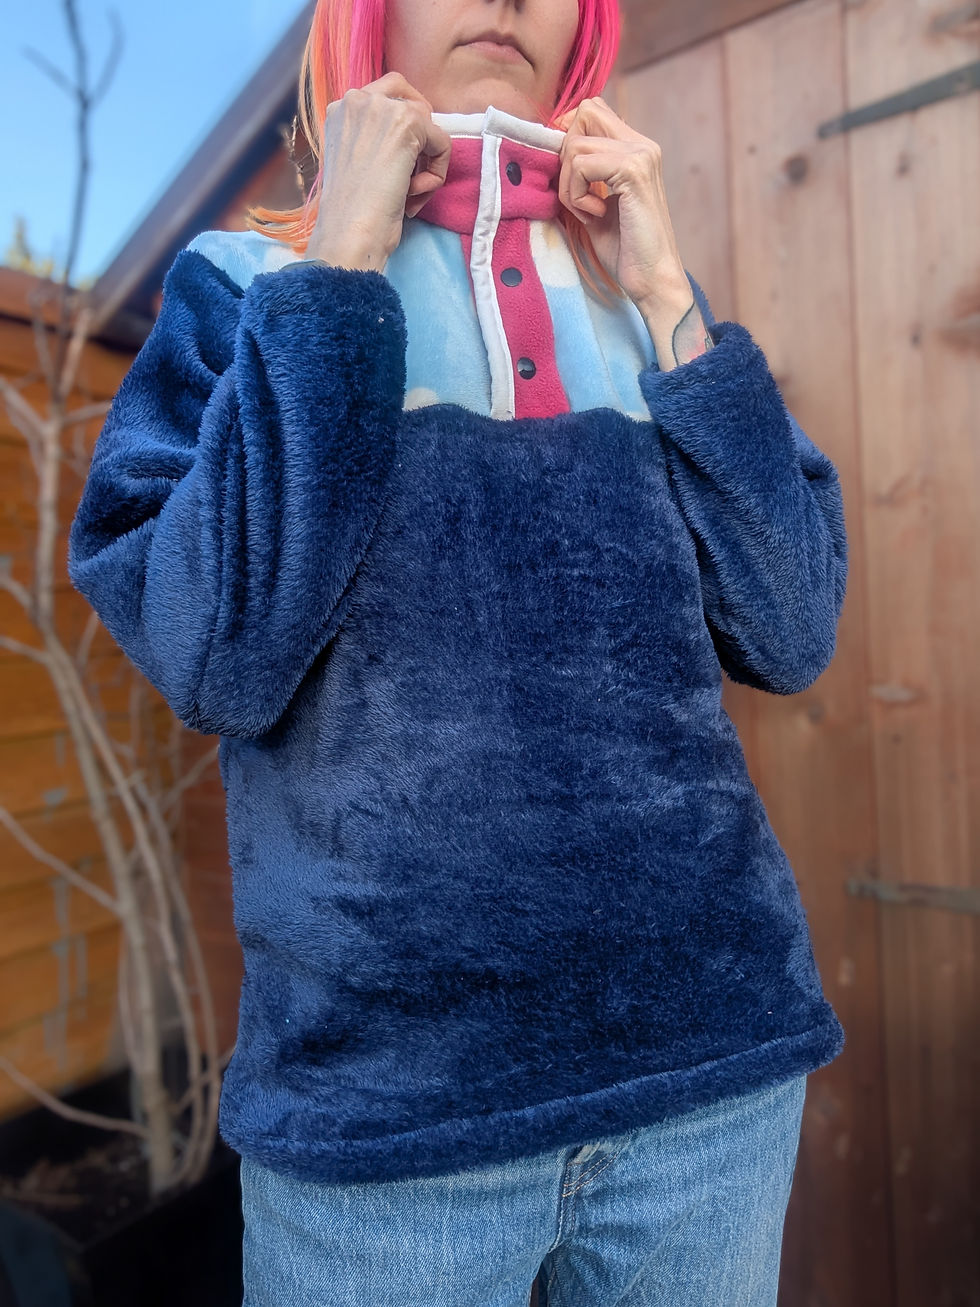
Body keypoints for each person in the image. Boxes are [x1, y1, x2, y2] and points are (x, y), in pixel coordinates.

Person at [67, 0, 849, 1302]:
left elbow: (791, 627)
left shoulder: (649, 301)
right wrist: (342, 266)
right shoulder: (239, 286)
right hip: (387, 1123)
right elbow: (217, 657)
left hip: (712, 1077)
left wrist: (668, 294)